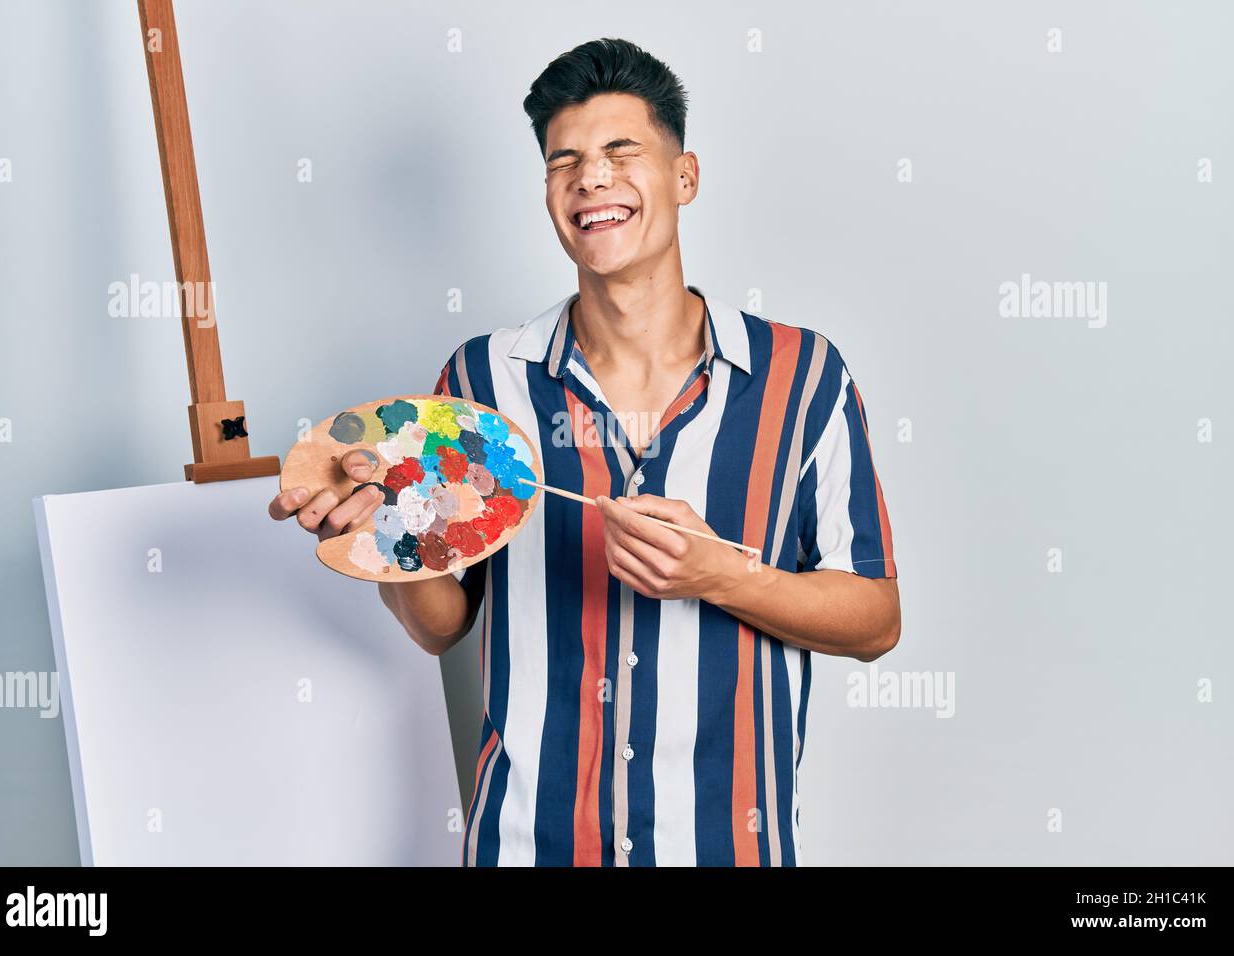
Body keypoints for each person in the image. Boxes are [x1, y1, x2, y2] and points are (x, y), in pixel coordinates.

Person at [268, 37, 900, 867]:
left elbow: (876, 622)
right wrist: (384, 546)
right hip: (530, 845)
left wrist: (720, 576)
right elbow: (442, 628)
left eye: (620, 152)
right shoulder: (480, 381)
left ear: (685, 177)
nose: (591, 179)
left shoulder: (804, 375)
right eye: (563, 161)